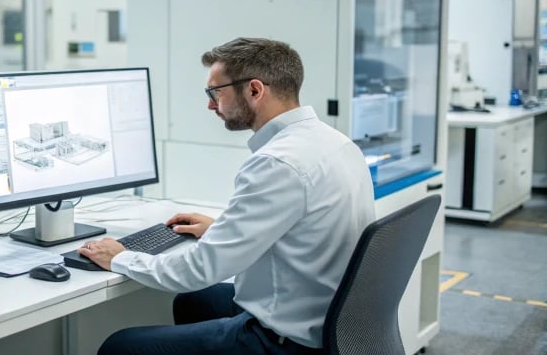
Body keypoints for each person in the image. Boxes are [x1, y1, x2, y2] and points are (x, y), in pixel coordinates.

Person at [78, 37, 375, 355]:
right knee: (194, 303)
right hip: (333, 321)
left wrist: (120, 257)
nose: (210, 105)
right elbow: (304, 222)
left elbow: (199, 270)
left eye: (215, 93)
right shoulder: (334, 142)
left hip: (288, 342)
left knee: (120, 347)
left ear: (254, 90)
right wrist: (224, 228)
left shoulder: (277, 162)